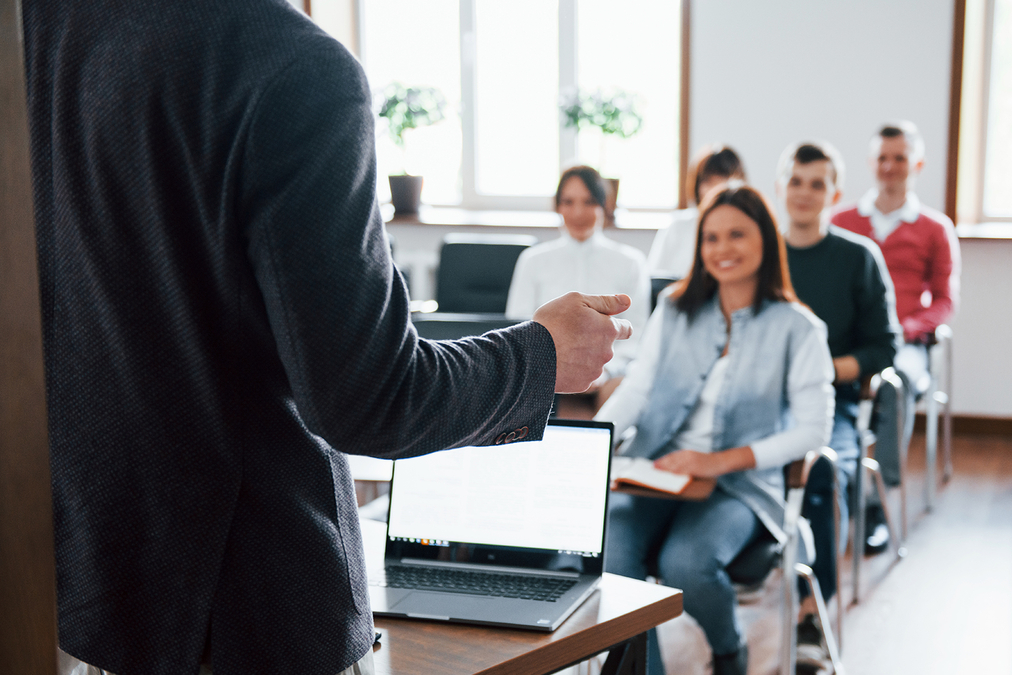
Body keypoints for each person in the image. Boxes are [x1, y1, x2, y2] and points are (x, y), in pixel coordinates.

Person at [25, 3, 632, 674]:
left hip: (93, 587)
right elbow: (370, 397)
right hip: (249, 610)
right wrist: (539, 355)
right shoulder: (289, 65)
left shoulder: (47, 27)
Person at [596, 184, 835, 675]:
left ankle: (729, 651)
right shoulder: (676, 308)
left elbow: (814, 429)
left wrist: (719, 461)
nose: (722, 249)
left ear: (766, 241)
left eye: (737, 235)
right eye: (711, 238)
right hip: (657, 469)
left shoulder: (798, 328)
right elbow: (637, 390)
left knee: (687, 563)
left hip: (739, 484)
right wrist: (590, 444)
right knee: (613, 553)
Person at [776, 141, 901, 634]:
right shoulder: (759, 256)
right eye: (796, 181)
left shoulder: (858, 258)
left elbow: (884, 349)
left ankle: (814, 606)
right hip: (760, 403)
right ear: (780, 185)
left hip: (833, 404)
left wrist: (822, 370)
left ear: (835, 193)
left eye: (817, 184)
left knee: (824, 472)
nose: (804, 193)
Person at [831, 121, 962, 530]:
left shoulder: (935, 228)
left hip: (905, 341)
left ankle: (874, 497)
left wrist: (908, 327)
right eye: (882, 158)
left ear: (916, 164)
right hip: (849, 338)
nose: (890, 167)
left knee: (896, 380)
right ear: (871, 163)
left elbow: (945, 301)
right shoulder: (842, 220)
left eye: (899, 158)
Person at [506, 165, 650, 398]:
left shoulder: (631, 262)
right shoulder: (532, 261)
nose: (578, 213)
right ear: (558, 206)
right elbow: (518, 326)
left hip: (608, 378)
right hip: (547, 377)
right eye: (569, 202)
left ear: (604, 205)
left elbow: (639, 334)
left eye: (589, 201)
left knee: (625, 392)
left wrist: (605, 372)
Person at [646, 145, 747, 278]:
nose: (716, 188)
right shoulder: (678, 227)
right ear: (697, 185)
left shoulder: (748, 227)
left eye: (723, 179)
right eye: (708, 181)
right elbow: (655, 278)